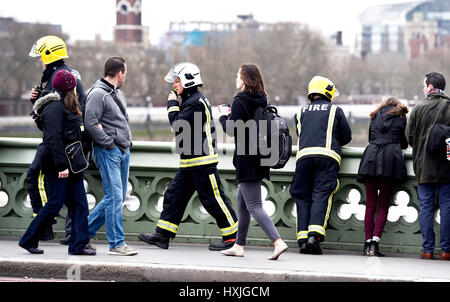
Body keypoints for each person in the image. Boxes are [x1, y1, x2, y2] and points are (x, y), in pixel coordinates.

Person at [138, 62, 238, 251]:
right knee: (174, 195)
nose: (174, 85)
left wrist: (171, 104)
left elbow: (178, 126)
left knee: (214, 200)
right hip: (190, 161)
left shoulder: (195, 103)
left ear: (187, 80)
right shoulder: (192, 100)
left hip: (202, 162)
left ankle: (232, 238)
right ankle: (162, 235)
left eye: (177, 81)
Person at [18, 70, 94, 255]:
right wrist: (61, 166)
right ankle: (28, 240)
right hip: (58, 166)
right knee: (54, 204)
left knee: (80, 204)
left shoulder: (67, 105)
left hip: (72, 166)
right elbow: (53, 139)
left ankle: (78, 245)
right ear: (70, 88)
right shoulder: (54, 108)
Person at [218, 64, 288, 260]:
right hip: (261, 156)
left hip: (247, 158)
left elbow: (233, 130)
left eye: (238, 75)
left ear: (244, 79)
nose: (236, 77)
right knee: (242, 203)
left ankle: (277, 241)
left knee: (254, 205)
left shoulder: (240, 100)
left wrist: (224, 116)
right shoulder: (262, 98)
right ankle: (239, 246)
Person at [27, 35, 86, 245]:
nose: (40, 61)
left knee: (36, 180)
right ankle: (75, 237)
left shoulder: (58, 77)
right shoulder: (62, 75)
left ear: (49, 55)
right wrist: (37, 98)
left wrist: (37, 108)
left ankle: (41, 230)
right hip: (67, 145)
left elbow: (52, 118)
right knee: (74, 197)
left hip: (58, 145)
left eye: (41, 56)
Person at [290, 76, 352, 255]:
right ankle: (314, 238)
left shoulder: (300, 112)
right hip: (327, 157)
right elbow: (346, 137)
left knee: (302, 196)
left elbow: (301, 133)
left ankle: (302, 240)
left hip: (303, 158)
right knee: (321, 194)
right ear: (328, 91)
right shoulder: (335, 110)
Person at [84, 56, 137, 256]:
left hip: (122, 150)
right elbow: (90, 123)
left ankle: (82, 233)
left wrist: (125, 144)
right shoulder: (98, 94)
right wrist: (109, 143)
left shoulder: (117, 94)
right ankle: (117, 243)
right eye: (126, 73)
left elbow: (123, 122)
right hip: (108, 151)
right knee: (115, 196)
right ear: (120, 73)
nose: (126, 77)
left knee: (117, 196)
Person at [406, 72, 450, 261]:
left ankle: (428, 250)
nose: (424, 89)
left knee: (425, 207)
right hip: (447, 167)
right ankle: (447, 251)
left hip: (424, 167)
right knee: (447, 207)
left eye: (425, 85)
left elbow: (408, 137)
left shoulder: (418, 108)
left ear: (431, 87)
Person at [357, 97, 409, 257]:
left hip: (371, 157)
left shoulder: (374, 115)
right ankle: (375, 244)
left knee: (370, 205)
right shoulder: (401, 116)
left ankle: (366, 245)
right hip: (389, 159)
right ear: (397, 105)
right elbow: (403, 142)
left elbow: (371, 140)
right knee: (383, 206)